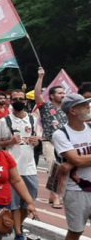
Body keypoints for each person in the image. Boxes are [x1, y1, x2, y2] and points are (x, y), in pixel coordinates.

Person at [51, 93, 91, 240]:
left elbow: (76, 160)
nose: (88, 108)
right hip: (76, 190)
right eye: (84, 105)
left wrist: (76, 161)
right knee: (76, 231)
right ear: (73, 111)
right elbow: (75, 159)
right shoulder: (61, 134)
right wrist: (75, 161)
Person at [0, 89, 42, 240]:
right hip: (12, 168)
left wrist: (37, 141)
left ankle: (18, 225)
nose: (18, 101)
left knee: (29, 201)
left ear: (26, 101)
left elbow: (38, 138)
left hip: (30, 167)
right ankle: (19, 234)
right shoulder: (4, 121)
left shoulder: (33, 119)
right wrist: (10, 142)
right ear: (10, 101)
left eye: (21, 99)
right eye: (15, 99)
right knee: (14, 204)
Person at [35, 68, 69, 209]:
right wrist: (40, 77)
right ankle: (56, 197)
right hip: (49, 142)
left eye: (64, 93)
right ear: (52, 96)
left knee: (63, 170)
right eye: (60, 93)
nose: (63, 95)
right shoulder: (45, 107)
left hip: (64, 144)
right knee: (53, 169)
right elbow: (37, 94)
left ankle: (52, 195)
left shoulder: (68, 108)